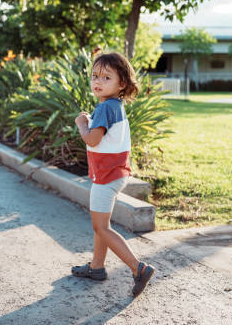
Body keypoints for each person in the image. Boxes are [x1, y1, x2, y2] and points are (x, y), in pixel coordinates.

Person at [71, 51, 155, 297]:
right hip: (114, 173)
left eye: (106, 77)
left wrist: (82, 123)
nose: (98, 81)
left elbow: (93, 140)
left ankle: (138, 268)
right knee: (102, 226)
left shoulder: (106, 107)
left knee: (101, 228)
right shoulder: (113, 105)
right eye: (95, 76)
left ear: (122, 83)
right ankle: (96, 267)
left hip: (107, 177)